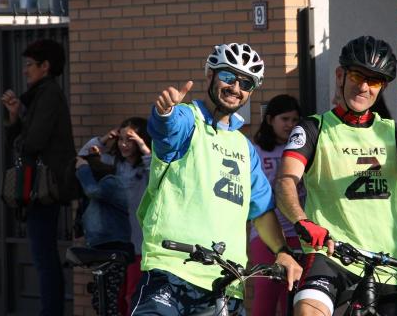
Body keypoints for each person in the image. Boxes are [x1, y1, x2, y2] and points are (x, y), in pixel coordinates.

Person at [275, 36, 397, 316]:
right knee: (307, 310)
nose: (363, 86)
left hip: (386, 262)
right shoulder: (312, 128)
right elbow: (285, 181)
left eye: (374, 81)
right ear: (340, 75)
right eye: (356, 75)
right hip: (331, 254)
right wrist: (301, 221)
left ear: (383, 87)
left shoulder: (392, 130)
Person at [131, 43, 302, 316]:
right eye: (228, 76)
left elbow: (261, 210)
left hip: (226, 282)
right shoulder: (188, 118)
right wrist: (164, 113)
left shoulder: (244, 147)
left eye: (246, 82)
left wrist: (282, 251)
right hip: (171, 271)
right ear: (209, 74)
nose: (236, 87)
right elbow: (166, 130)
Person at [1, 39, 75, 316]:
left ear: (46, 66)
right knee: (43, 256)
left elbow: (33, 141)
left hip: (44, 188)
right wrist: (15, 114)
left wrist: (21, 127)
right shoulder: (39, 96)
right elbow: (22, 138)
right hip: (41, 187)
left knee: (44, 257)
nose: (25, 71)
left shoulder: (48, 95)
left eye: (30, 65)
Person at [78, 117, 151, 315]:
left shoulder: (146, 167)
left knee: (133, 295)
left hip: (139, 244)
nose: (124, 144)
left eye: (130, 140)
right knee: (114, 298)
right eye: (121, 140)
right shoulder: (113, 164)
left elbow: (156, 170)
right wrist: (103, 139)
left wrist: (144, 146)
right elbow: (82, 156)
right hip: (115, 241)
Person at [249, 94, 303, 316]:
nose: (290, 125)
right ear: (270, 120)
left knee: (292, 295)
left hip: (298, 232)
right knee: (266, 292)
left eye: (294, 120)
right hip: (265, 233)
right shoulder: (256, 150)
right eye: (285, 119)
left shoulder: (302, 149)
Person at [72, 154, 135, 315]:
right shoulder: (93, 193)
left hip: (116, 252)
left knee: (110, 301)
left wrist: (83, 169)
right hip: (102, 253)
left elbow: (92, 190)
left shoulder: (111, 182)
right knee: (100, 300)